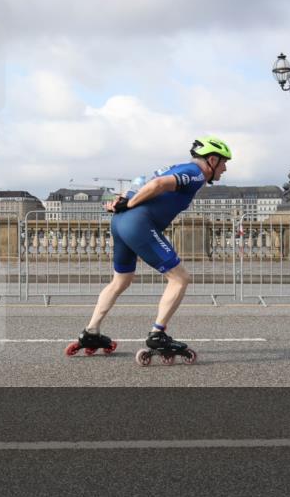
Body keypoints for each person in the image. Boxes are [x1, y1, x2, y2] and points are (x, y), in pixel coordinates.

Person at [66, 136, 232, 362]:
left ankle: (91, 332)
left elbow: (141, 183)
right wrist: (129, 203)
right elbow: (157, 185)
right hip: (138, 223)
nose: (224, 168)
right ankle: (157, 334)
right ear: (212, 160)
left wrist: (122, 201)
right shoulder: (195, 173)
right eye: (224, 162)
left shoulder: (175, 167)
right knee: (180, 278)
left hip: (120, 222)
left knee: (120, 281)